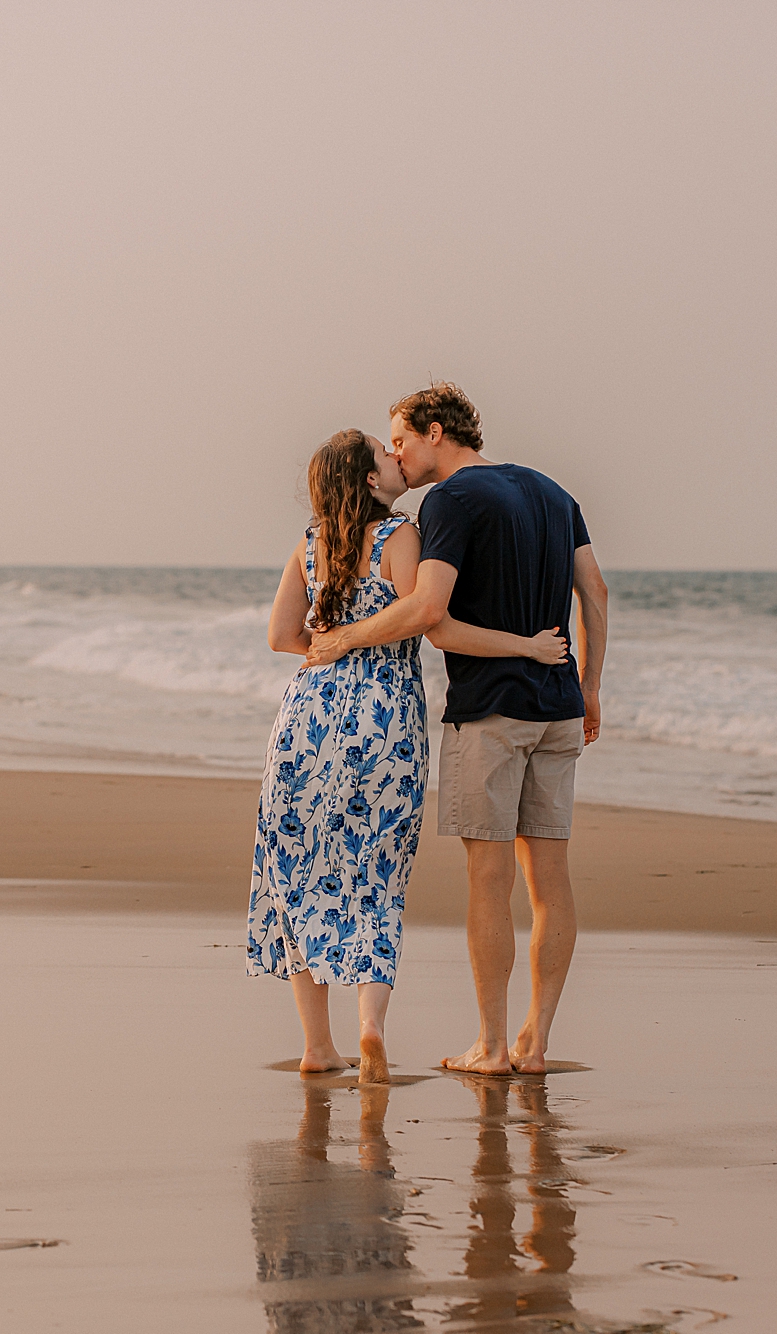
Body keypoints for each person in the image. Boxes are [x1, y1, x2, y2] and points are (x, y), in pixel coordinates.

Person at [248, 430, 569, 1083]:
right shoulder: (399, 537)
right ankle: (371, 1028)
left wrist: (330, 641)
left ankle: (318, 1046)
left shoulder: (308, 548)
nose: (398, 461)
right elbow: (431, 619)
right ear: (370, 481)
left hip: (306, 719)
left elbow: (283, 635)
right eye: (385, 456)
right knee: (376, 877)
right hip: (383, 719)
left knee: (301, 874)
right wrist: (527, 647)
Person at [308, 384, 609, 1076]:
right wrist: (589, 685)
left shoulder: (450, 501)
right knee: (551, 880)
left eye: (402, 440)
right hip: (559, 709)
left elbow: (428, 611)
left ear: (435, 431)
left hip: (492, 716)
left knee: (488, 879)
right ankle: (537, 1044)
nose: (396, 455)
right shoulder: (553, 492)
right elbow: (593, 592)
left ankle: (492, 1046)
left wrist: (345, 638)